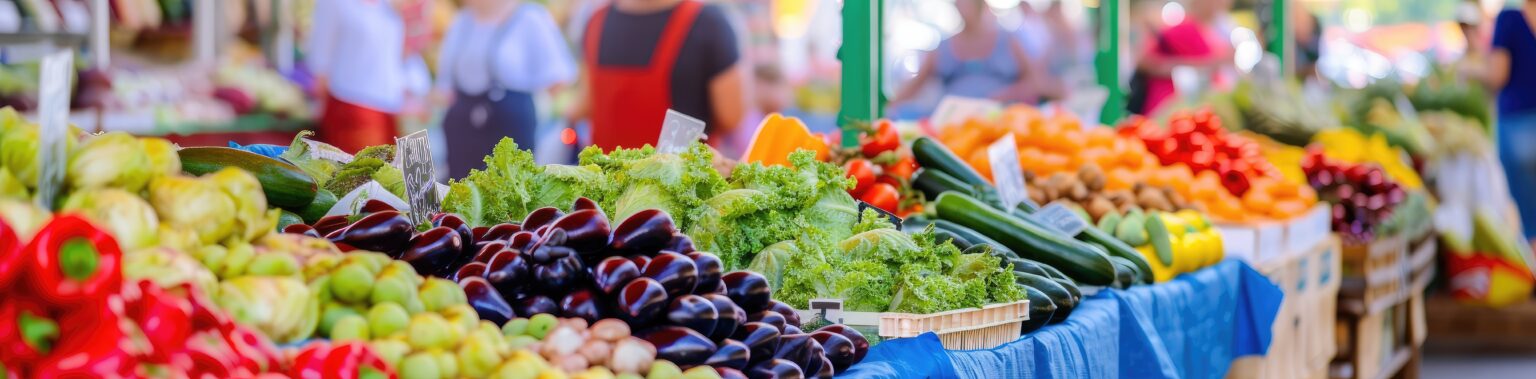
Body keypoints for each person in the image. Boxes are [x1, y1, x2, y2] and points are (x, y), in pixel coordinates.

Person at [578, 0, 748, 151]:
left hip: (605, 180)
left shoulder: (596, 21)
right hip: (678, 181)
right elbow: (731, 117)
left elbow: (586, 104)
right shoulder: (710, 24)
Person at [435, 0, 576, 178]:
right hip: (462, 134)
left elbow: (558, 81)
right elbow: (444, 87)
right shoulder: (461, 21)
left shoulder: (530, 18)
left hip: (509, 130)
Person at [306, 0, 422, 153]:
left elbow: (400, 55)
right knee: (363, 174)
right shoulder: (334, 4)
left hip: (396, 109)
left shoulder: (389, 7)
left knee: (408, 174)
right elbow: (320, 60)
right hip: (354, 107)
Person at [891, 0, 1045, 109]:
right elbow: (914, 85)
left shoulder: (1008, 40)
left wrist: (1006, 95)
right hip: (953, 124)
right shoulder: (944, 46)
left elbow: (1035, 81)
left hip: (999, 118)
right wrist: (889, 107)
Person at [1487, 0, 1536, 239]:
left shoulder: (1509, 18)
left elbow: (1497, 76)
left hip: (1518, 127)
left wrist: (1470, 71)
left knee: (1531, 223)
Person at [1134, 0, 1234, 116]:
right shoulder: (1182, 28)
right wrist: (1212, 63)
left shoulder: (1219, 30)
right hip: (1168, 107)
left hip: (1191, 108)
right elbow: (1145, 61)